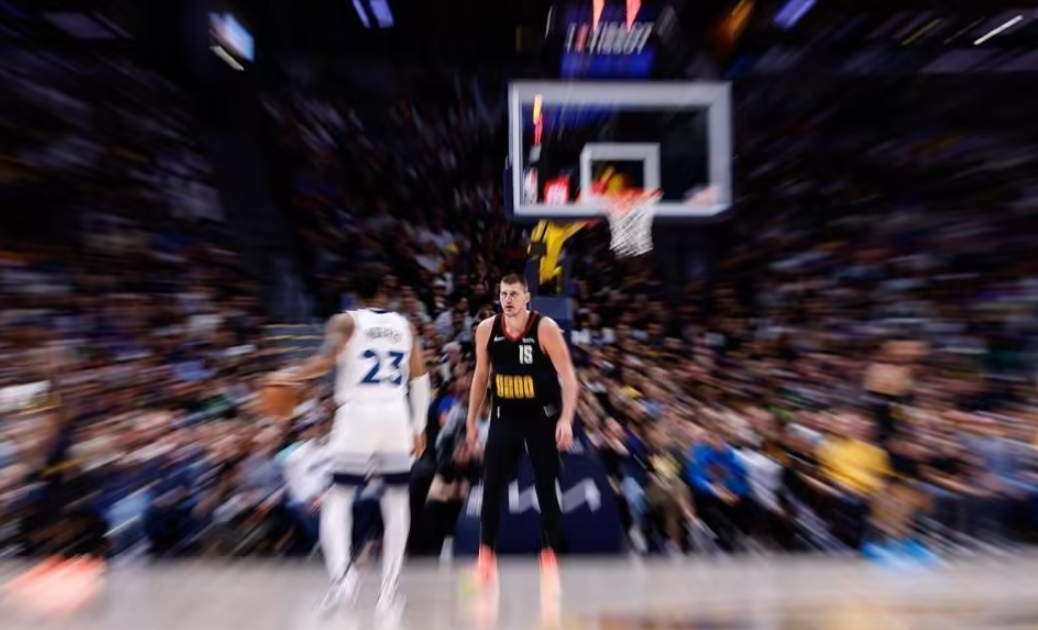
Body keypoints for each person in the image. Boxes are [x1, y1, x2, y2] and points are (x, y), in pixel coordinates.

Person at [267, 264, 429, 615]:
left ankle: (343, 580)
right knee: (396, 502)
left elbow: (327, 360)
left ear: (353, 293)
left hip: (357, 414)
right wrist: (420, 426)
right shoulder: (405, 326)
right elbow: (420, 378)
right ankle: (388, 592)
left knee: (338, 498)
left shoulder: (346, 321)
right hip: (395, 415)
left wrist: (292, 374)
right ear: (385, 291)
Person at [465, 274, 578, 593]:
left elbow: (569, 377)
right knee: (491, 487)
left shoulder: (544, 328)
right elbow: (480, 377)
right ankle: (485, 556)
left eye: (514, 294)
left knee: (546, 487)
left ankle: (549, 557)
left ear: (527, 297)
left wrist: (566, 419)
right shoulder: (486, 329)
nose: (508, 299)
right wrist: (471, 420)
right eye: (504, 294)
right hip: (504, 418)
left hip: (541, 418)